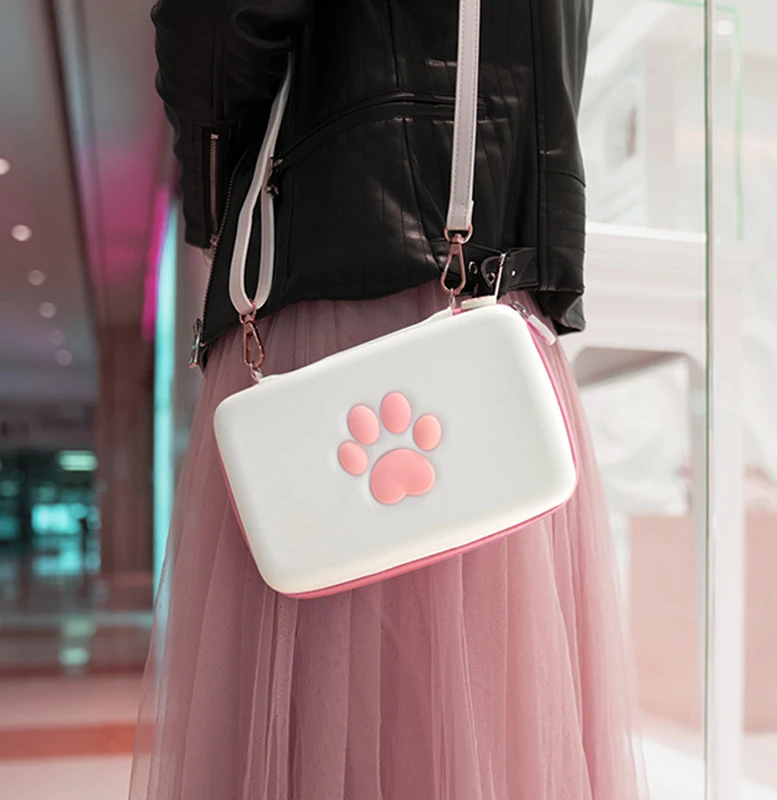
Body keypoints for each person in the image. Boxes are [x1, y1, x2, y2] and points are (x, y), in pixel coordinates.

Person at [130, 1, 647, 798]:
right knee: (481, 730)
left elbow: (218, 29)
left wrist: (210, 199)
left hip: (334, 300)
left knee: (320, 723)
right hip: (493, 330)